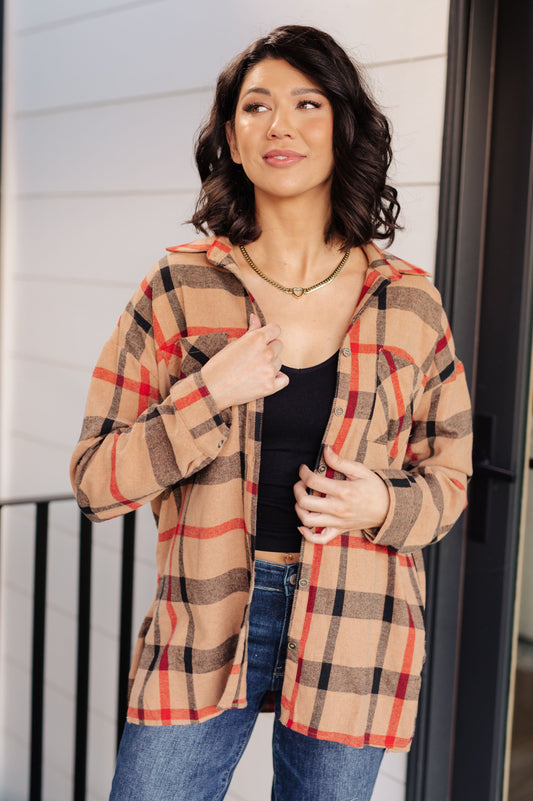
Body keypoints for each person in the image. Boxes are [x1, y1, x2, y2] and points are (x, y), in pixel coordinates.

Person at [70, 24, 472, 801]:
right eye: (255, 106)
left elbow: (450, 478)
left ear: (341, 127)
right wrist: (207, 394)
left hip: (357, 621)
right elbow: (94, 481)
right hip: (203, 615)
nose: (279, 124)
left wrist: (382, 500)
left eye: (306, 103)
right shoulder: (178, 288)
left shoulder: (409, 299)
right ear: (231, 136)